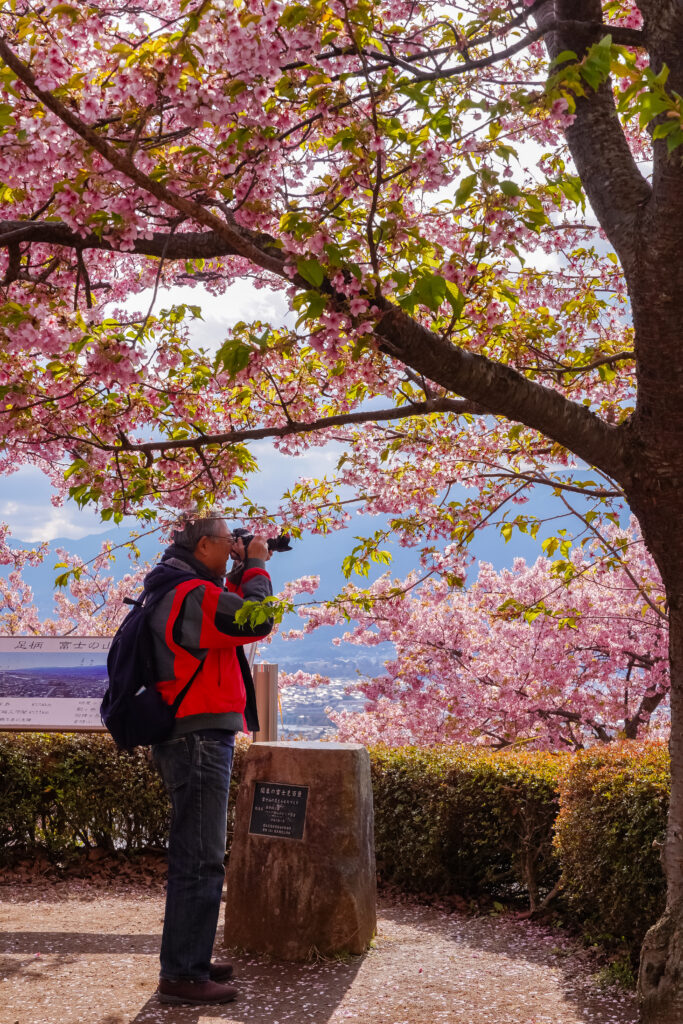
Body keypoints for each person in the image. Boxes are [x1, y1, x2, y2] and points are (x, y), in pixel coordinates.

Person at [144, 513, 273, 1006]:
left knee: (196, 855)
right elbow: (253, 618)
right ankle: (182, 974)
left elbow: (232, 615)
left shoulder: (182, 587)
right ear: (202, 548)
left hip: (192, 733)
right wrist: (257, 566)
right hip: (196, 736)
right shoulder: (189, 594)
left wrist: (240, 570)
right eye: (226, 542)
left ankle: (189, 956)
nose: (232, 548)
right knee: (200, 859)